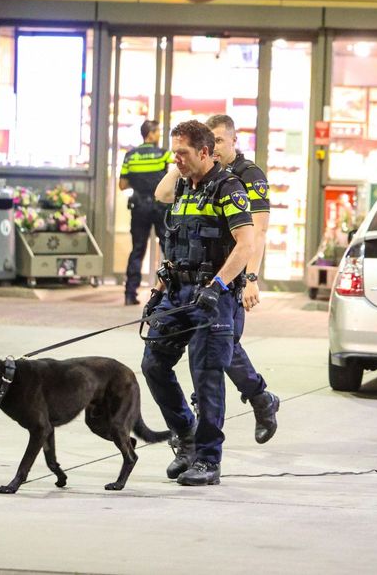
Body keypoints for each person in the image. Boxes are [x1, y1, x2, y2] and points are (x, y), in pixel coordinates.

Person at [140, 120, 255, 486]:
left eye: (183, 153)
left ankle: (208, 460)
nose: (177, 160)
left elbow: (246, 244)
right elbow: (176, 243)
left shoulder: (228, 187)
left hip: (213, 298)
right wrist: (158, 288)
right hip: (177, 293)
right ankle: (186, 437)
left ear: (204, 152)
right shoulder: (183, 188)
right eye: (175, 153)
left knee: (206, 378)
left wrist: (219, 284)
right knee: (153, 363)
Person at [157, 115, 280, 444]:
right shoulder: (192, 175)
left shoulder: (247, 176)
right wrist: (182, 162)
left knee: (216, 355)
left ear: (232, 141)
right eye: (209, 143)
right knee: (219, 353)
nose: (215, 148)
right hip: (191, 288)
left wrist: (250, 277)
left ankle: (211, 440)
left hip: (226, 282)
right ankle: (258, 399)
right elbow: (163, 194)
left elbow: (258, 231)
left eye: (219, 142)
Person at [119, 120, 172, 305]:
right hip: (160, 207)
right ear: (150, 133)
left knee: (137, 249)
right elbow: (172, 177)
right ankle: (170, 291)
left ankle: (129, 293)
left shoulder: (130, 156)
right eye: (157, 132)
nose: (159, 135)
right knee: (167, 248)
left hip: (139, 207)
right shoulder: (163, 154)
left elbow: (122, 185)